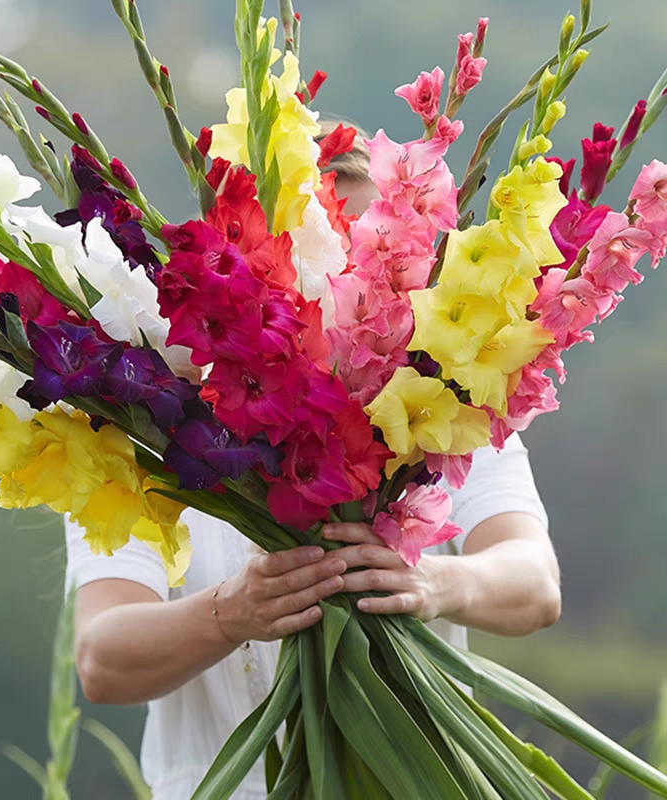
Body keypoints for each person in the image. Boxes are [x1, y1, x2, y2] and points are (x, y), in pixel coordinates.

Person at [64, 120, 561, 800]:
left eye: (370, 260)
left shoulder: (447, 396)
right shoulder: (149, 424)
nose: (347, 291)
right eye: (312, 259)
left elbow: (534, 583)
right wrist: (232, 613)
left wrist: (433, 587)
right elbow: (102, 659)